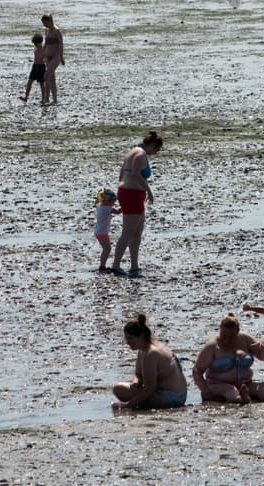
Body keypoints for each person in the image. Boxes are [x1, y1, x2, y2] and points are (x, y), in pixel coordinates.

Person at [192, 314, 264, 403]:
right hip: (219, 385)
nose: (227, 340)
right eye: (223, 336)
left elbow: (263, 357)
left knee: (261, 390)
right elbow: (197, 370)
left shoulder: (245, 339)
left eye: (231, 337)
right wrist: (205, 391)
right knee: (231, 391)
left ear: (237, 332)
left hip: (245, 384)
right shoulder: (212, 346)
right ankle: (241, 399)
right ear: (220, 330)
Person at [110, 131, 163, 277]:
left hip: (130, 193)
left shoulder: (131, 152)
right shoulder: (140, 155)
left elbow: (121, 175)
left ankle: (134, 265)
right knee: (128, 231)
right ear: (152, 145)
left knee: (137, 231)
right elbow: (134, 173)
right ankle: (115, 265)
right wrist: (148, 190)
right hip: (132, 194)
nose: (156, 153)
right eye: (156, 149)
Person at [111, 313, 188, 410]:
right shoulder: (143, 349)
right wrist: (136, 382)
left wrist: (127, 405)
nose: (127, 342)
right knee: (118, 388)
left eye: (130, 338)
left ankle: (142, 406)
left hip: (172, 398)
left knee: (121, 391)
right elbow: (138, 373)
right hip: (171, 393)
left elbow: (149, 389)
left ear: (141, 336)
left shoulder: (151, 353)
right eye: (126, 338)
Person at [92, 189, 119, 272]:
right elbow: (118, 212)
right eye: (113, 201)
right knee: (107, 249)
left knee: (106, 249)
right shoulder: (107, 208)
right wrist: (126, 206)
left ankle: (102, 265)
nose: (114, 203)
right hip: (102, 233)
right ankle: (102, 266)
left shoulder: (100, 206)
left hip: (98, 231)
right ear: (108, 201)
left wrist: (98, 197)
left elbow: (96, 203)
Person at [40, 14, 64, 104]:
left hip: (56, 56)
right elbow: (46, 44)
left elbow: (61, 44)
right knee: (51, 78)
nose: (44, 25)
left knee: (46, 75)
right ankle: (54, 99)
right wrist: (42, 54)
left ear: (50, 21)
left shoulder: (57, 31)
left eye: (45, 23)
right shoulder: (47, 31)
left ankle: (46, 97)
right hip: (48, 56)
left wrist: (61, 57)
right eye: (43, 23)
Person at [18, 32, 46, 102]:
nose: (35, 45)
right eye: (34, 44)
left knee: (42, 83)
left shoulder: (43, 48)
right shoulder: (35, 48)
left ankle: (43, 98)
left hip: (41, 66)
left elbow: (46, 56)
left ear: (40, 42)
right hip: (35, 66)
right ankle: (26, 96)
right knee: (30, 81)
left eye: (36, 44)